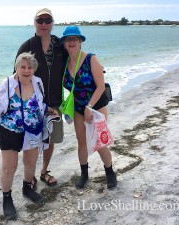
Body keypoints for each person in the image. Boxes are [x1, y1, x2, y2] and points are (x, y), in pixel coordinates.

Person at [0, 52, 58, 219]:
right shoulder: (7, 84)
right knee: (9, 167)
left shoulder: (37, 82)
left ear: (34, 69)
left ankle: (27, 189)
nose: (27, 70)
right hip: (10, 130)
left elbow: (38, 102)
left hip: (33, 129)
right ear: (17, 68)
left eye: (30, 67)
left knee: (30, 162)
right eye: (23, 67)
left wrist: (49, 110)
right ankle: (7, 198)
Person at [60, 26, 117, 189]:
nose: (71, 42)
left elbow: (100, 87)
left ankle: (110, 172)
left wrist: (89, 107)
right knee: (82, 142)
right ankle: (84, 174)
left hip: (96, 106)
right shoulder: (64, 64)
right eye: (68, 39)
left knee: (99, 142)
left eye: (74, 39)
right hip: (78, 107)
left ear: (80, 42)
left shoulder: (90, 59)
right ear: (64, 43)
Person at [16, 8, 65, 187]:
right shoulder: (27, 46)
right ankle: (30, 176)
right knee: (31, 142)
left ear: (52, 23)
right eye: (40, 20)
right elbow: (16, 76)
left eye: (47, 20)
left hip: (55, 103)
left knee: (50, 140)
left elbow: (73, 64)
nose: (43, 24)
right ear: (34, 23)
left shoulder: (60, 45)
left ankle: (44, 171)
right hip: (32, 106)